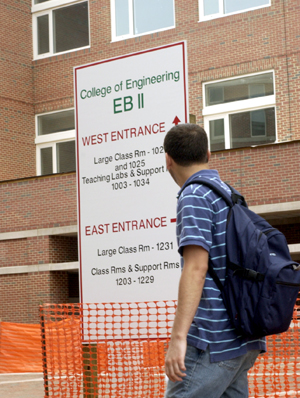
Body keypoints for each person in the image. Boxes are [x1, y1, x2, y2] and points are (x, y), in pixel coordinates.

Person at [163, 123, 266, 398]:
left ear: (168, 159)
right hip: (243, 336)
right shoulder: (229, 194)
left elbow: (196, 268)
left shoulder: (194, 196)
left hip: (213, 340)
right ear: (208, 153)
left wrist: (178, 337)